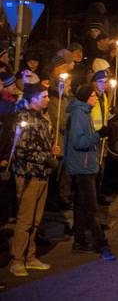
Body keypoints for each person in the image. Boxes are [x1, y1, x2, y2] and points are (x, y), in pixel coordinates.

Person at [8, 84, 59, 277]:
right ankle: (17, 260)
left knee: (36, 219)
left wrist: (51, 151)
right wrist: (45, 158)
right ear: (32, 98)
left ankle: (30, 256)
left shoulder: (43, 119)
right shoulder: (23, 118)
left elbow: (42, 144)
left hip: (42, 174)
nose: (48, 99)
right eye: (43, 96)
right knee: (25, 219)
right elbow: (20, 150)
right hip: (28, 175)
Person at [65, 85, 116, 261]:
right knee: (91, 207)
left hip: (85, 165)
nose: (95, 98)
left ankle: (79, 241)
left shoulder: (84, 112)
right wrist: (98, 135)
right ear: (85, 97)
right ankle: (102, 243)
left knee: (81, 206)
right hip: (82, 166)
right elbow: (78, 142)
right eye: (93, 96)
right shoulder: (79, 114)